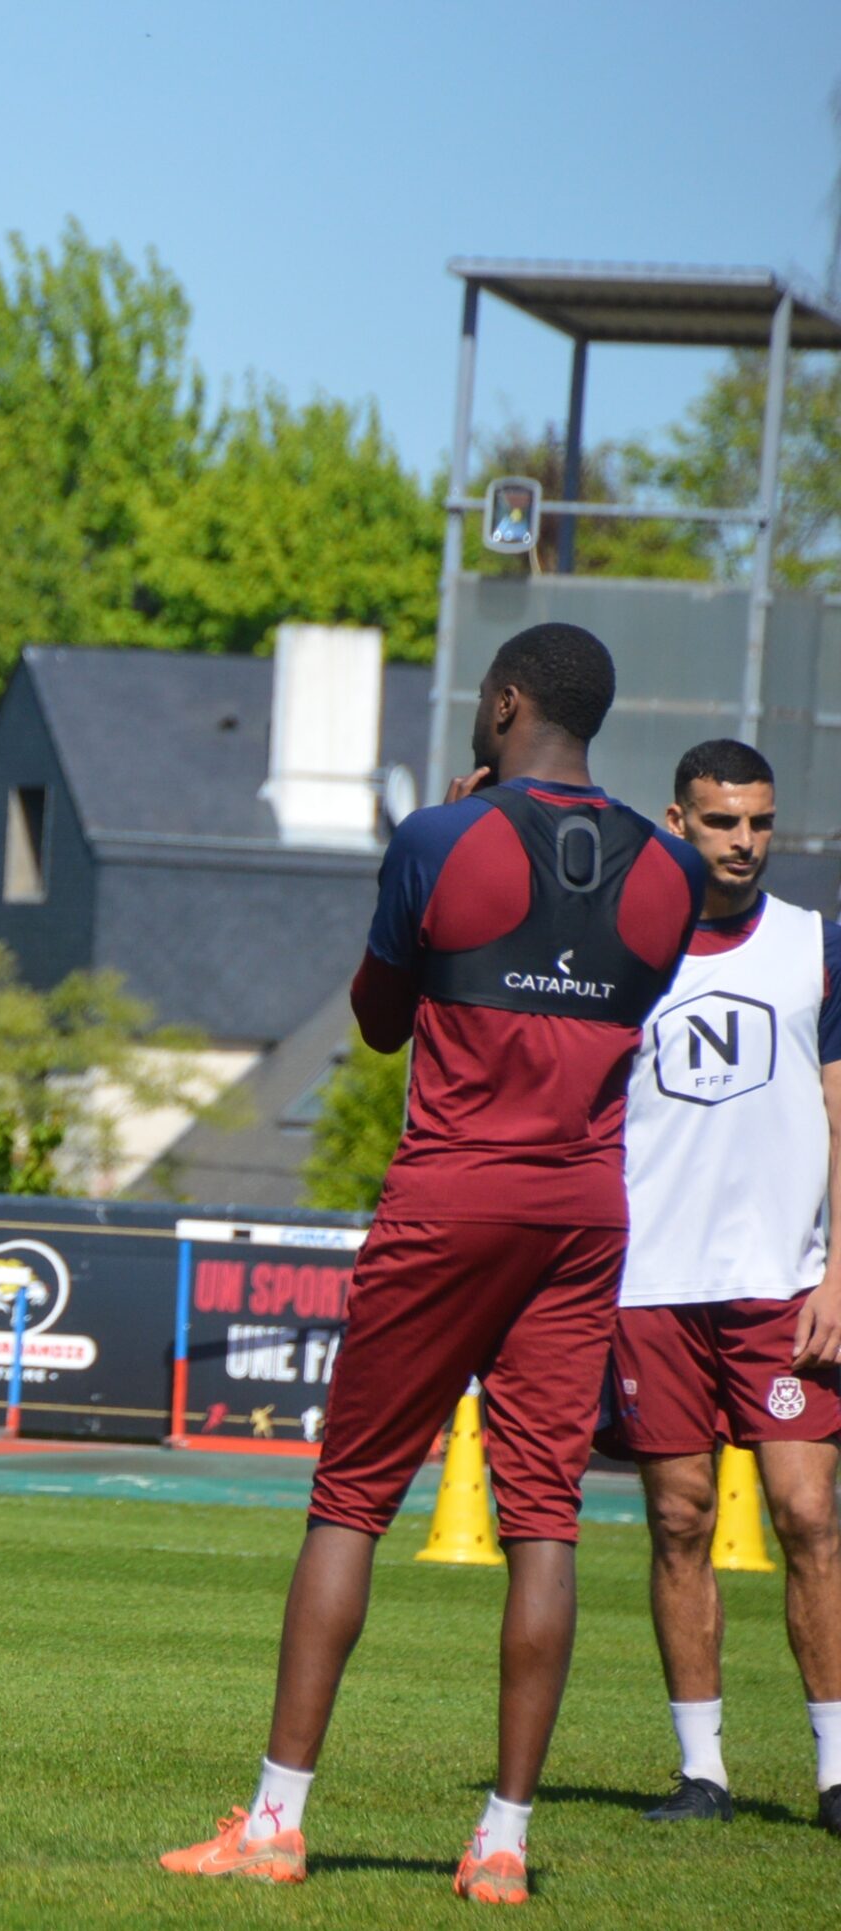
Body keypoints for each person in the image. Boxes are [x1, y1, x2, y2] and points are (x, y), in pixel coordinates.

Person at [162, 622, 706, 1903]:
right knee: (545, 1517)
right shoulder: (674, 871)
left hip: (452, 1195)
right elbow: (614, 1008)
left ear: (505, 703)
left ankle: (275, 1822)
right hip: (583, 1209)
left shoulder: (436, 838)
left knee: (352, 1495)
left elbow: (374, 1020)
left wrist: (451, 848)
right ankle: (502, 1842)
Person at [604, 739, 841, 1834]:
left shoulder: (816, 944)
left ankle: (835, 1772)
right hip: (652, 1279)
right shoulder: (625, 948)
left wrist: (838, 1269)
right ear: (677, 821)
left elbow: (839, 1115)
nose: (744, 840)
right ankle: (702, 1772)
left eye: (759, 820)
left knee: (808, 1513)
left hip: (782, 1284)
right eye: (721, 821)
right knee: (679, 1518)